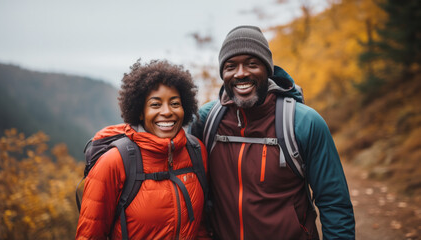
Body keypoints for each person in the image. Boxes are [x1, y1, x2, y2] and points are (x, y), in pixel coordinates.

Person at [190, 25, 355, 239]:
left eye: (252, 64)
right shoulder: (207, 119)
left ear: (267, 70)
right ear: (223, 73)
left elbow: (334, 203)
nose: (241, 73)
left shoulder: (304, 122)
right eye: (231, 66)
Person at [76, 60, 209, 239]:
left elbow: (200, 226)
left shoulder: (196, 151)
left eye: (175, 103)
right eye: (155, 104)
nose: (167, 111)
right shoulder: (115, 162)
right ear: (140, 112)